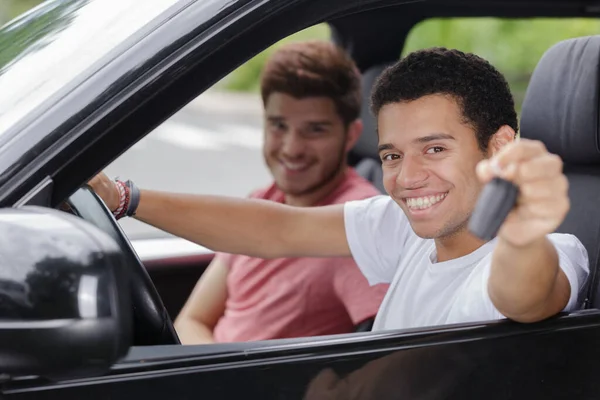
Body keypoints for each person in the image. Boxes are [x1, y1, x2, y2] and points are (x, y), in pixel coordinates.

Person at [89, 47, 589, 333]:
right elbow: (277, 230)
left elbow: (525, 298)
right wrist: (123, 198)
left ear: (499, 146)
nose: (406, 177)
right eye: (392, 155)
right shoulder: (407, 230)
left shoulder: (556, 252)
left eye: (434, 149)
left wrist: (523, 235)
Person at [129, 41, 389, 344]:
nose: (292, 148)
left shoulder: (354, 227)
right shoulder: (263, 199)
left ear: (351, 136)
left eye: (315, 130)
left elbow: (385, 351)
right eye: (279, 126)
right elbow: (194, 318)